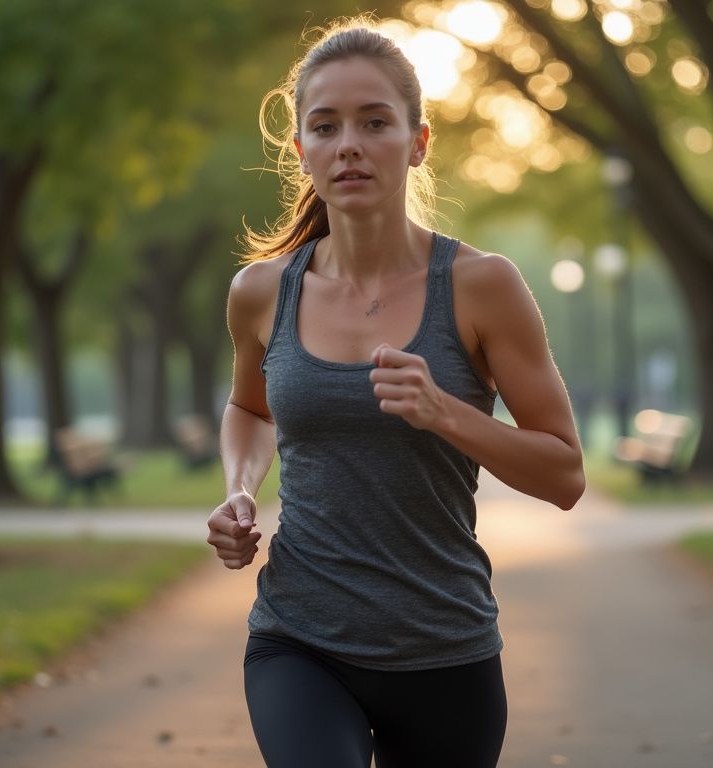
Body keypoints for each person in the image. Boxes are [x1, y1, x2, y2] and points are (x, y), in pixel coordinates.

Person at [205, 19, 585, 768]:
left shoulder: (482, 287)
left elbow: (565, 474)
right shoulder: (259, 293)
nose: (349, 143)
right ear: (301, 150)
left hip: (444, 649)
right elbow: (250, 409)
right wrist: (239, 490)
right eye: (326, 125)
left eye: (375, 122)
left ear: (418, 142)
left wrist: (445, 412)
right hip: (299, 641)